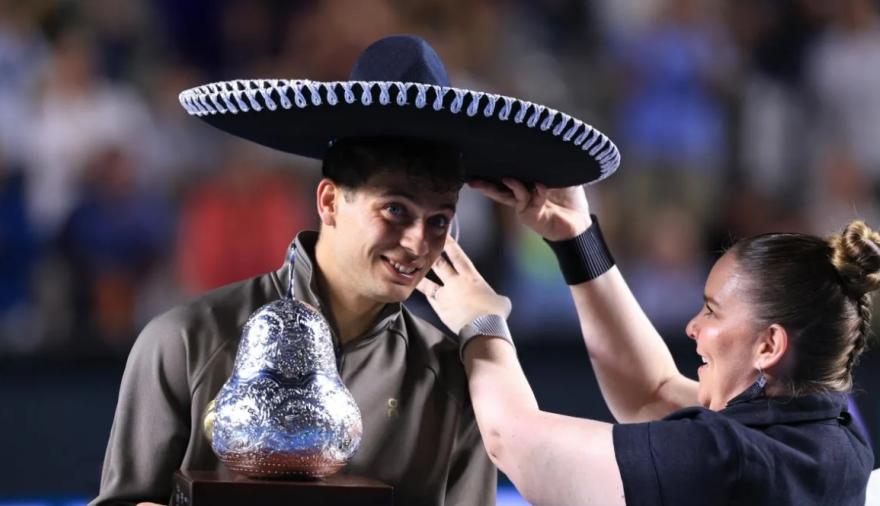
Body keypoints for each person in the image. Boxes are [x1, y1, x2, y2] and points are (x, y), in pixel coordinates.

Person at [91, 35, 621, 505]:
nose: (418, 243)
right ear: (328, 202)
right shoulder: (185, 343)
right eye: (395, 210)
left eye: (439, 221)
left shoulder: (456, 381)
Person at [418, 179, 875, 505]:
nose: (693, 327)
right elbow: (650, 391)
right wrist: (577, 237)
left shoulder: (725, 460)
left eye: (712, 311)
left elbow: (511, 439)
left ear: (769, 346)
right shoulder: (840, 438)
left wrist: (480, 319)